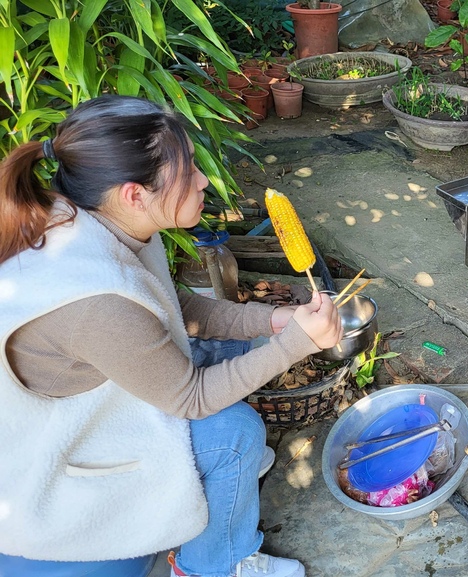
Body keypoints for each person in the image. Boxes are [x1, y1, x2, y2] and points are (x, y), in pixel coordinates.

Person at [0, 96, 342, 577]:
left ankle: (223, 490)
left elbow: (169, 305)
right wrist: (295, 345)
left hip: (96, 384)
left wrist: (273, 322)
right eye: (188, 174)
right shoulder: (95, 300)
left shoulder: (93, 219)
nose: (203, 182)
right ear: (134, 194)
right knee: (235, 434)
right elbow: (191, 398)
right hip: (55, 450)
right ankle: (211, 565)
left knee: (238, 351)